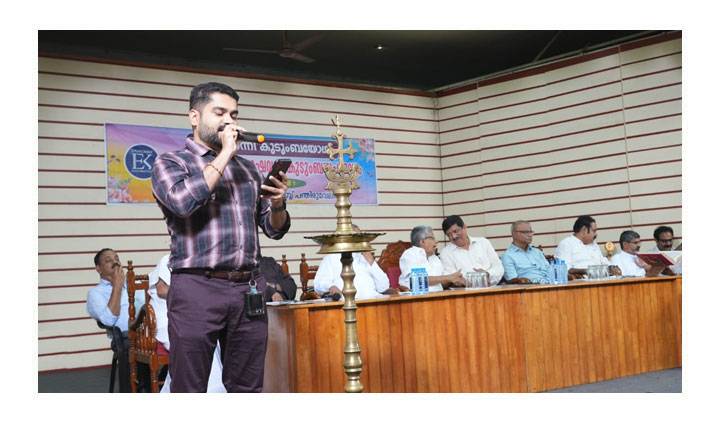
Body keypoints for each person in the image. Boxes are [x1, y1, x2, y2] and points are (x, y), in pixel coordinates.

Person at [151, 82, 290, 393]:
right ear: (195, 117)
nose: (230, 121)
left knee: (247, 386)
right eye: (220, 112)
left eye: (234, 114)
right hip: (197, 287)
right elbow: (184, 203)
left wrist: (278, 203)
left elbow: (273, 229)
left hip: (249, 290)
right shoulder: (171, 162)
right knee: (190, 387)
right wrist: (226, 153)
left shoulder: (249, 170)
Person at [147, 255, 226, 393]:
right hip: (167, 317)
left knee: (212, 338)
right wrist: (193, 296)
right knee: (195, 342)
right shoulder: (168, 259)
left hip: (195, 317)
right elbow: (161, 289)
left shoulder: (203, 262)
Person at [313, 225, 390, 300]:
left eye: (361, 237)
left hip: (371, 302)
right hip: (343, 304)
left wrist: (371, 261)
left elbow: (384, 286)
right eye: (356, 237)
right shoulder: (331, 258)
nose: (360, 241)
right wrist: (331, 287)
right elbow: (319, 285)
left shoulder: (365, 257)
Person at [86, 248, 144, 333]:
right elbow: (108, 321)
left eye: (117, 259)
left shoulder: (135, 282)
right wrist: (117, 285)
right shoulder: (95, 293)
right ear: (99, 269)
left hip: (150, 335)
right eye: (108, 260)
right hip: (126, 341)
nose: (115, 262)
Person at [439, 215, 504, 286]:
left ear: (464, 227)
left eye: (455, 231)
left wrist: (487, 274)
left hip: (492, 288)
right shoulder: (446, 253)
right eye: (449, 235)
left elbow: (499, 267)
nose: (454, 236)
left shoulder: (483, 242)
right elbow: (451, 276)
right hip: (464, 292)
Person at [399, 225, 466, 291]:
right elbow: (418, 280)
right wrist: (449, 277)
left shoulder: (434, 258)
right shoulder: (410, 255)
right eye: (432, 238)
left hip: (440, 296)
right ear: (422, 241)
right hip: (417, 298)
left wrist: (455, 280)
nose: (437, 241)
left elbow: (442, 282)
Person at [554, 215, 621, 276]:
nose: (596, 234)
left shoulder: (593, 244)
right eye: (594, 231)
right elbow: (564, 270)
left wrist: (612, 267)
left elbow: (604, 262)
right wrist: (584, 271)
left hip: (601, 280)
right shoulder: (566, 244)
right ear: (584, 230)